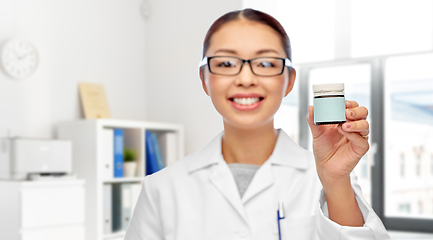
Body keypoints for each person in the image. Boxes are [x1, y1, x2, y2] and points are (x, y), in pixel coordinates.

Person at [125, 8, 390, 240]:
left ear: (289, 80)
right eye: (227, 63)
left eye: (264, 63)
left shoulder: (329, 180)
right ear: (204, 79)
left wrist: (334, 181)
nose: (246, 78)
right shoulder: (161, 188)